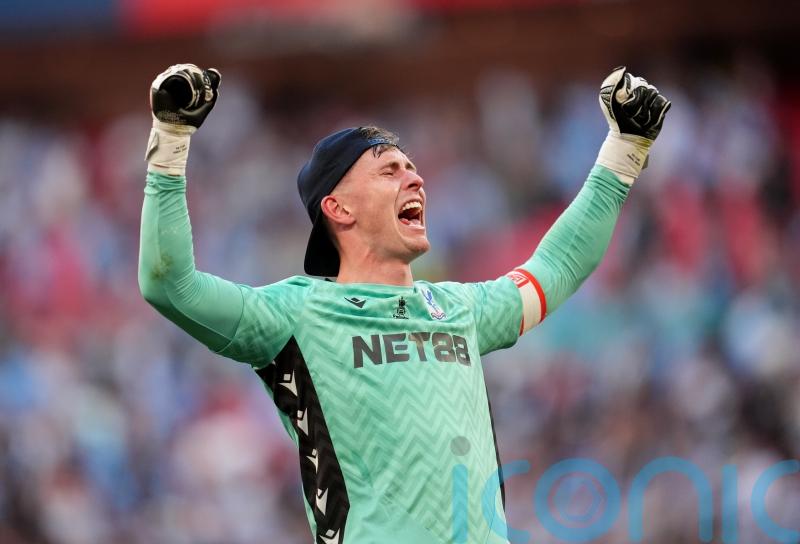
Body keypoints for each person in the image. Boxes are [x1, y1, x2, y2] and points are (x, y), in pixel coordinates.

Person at [139, 63, 670, 544]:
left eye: (412, 167)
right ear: (338, 207)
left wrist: (625, 150)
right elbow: (170, 284)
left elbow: (558, 267)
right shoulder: (294, 316)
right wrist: (171, 139)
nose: (415, 177)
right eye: (388, 169)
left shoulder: (459, 309)